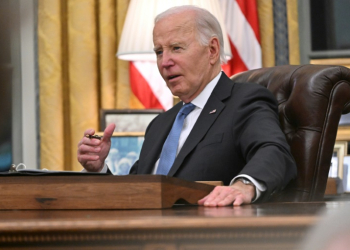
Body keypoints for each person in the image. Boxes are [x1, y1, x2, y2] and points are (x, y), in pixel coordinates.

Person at [77, 5, 297, 206]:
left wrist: (243, 186)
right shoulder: (159, 124)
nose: (165, 62)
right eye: (159, 52)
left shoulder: (244, 101)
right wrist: (99, 170)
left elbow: (273, 151)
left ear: (212, 50)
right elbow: (138, 194)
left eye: (176, 48)